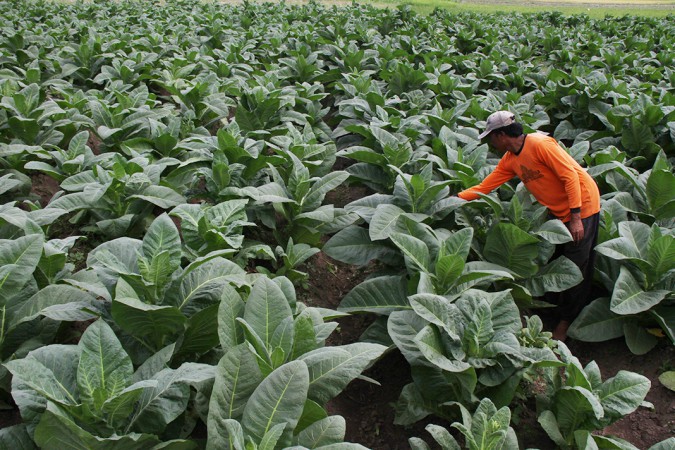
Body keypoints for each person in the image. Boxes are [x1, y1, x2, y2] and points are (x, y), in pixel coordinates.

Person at [456, 111, 601, 342]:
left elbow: (571, 177)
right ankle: (553, 311)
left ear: (501, 135)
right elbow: (484, 187)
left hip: (582, 206)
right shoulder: (510, 159)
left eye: (490, 138)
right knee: (557, 262)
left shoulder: (539, 144)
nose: (490, 143)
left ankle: (565, 324)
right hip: (558, 211)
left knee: (576, 266)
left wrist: (576, 218)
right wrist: (454, 199)